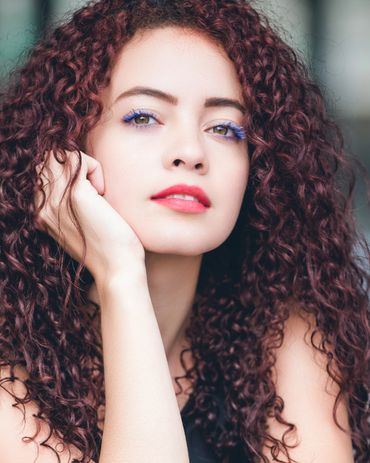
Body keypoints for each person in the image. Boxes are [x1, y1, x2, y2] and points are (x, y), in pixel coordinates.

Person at [0, 0, 369, 462]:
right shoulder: (9, 379)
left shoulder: (285, 338)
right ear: (66, 151)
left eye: (225, 128)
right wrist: (120, 276)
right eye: (143, 117)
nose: (191, 151)